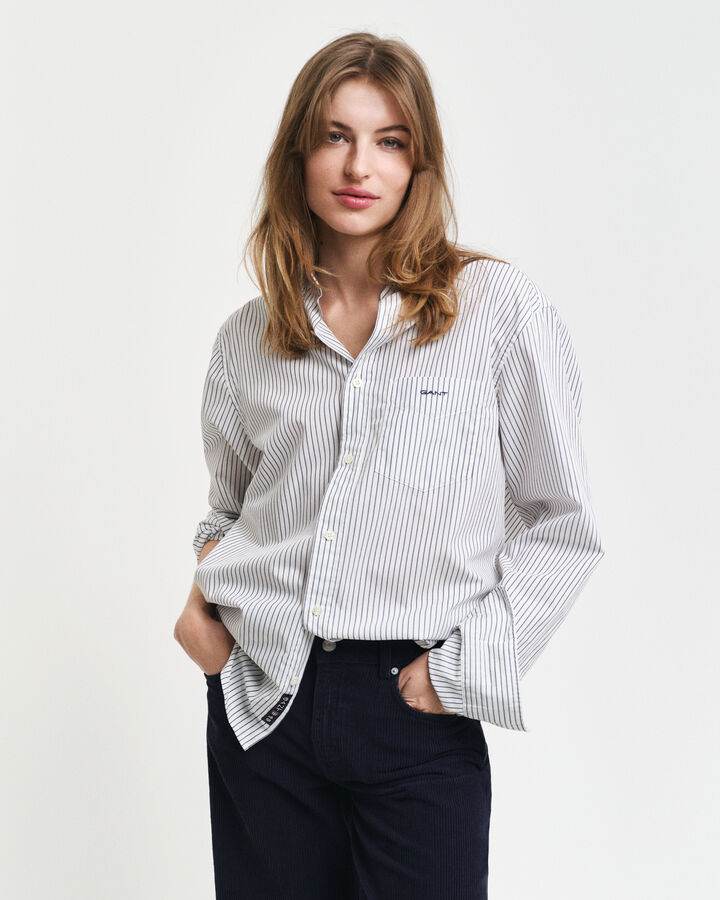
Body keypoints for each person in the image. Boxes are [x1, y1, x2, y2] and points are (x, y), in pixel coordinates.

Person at [173, 31, 604, 900]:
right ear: (298, 156)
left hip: (414, 708)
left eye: (389, 141)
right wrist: (208, 623)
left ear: (419, 165)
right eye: (334, 136)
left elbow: (563, 522)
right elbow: (230, 509)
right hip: (266, 702)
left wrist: (459, 671)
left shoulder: (495, 311)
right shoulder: (247, 339)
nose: (358, 166)